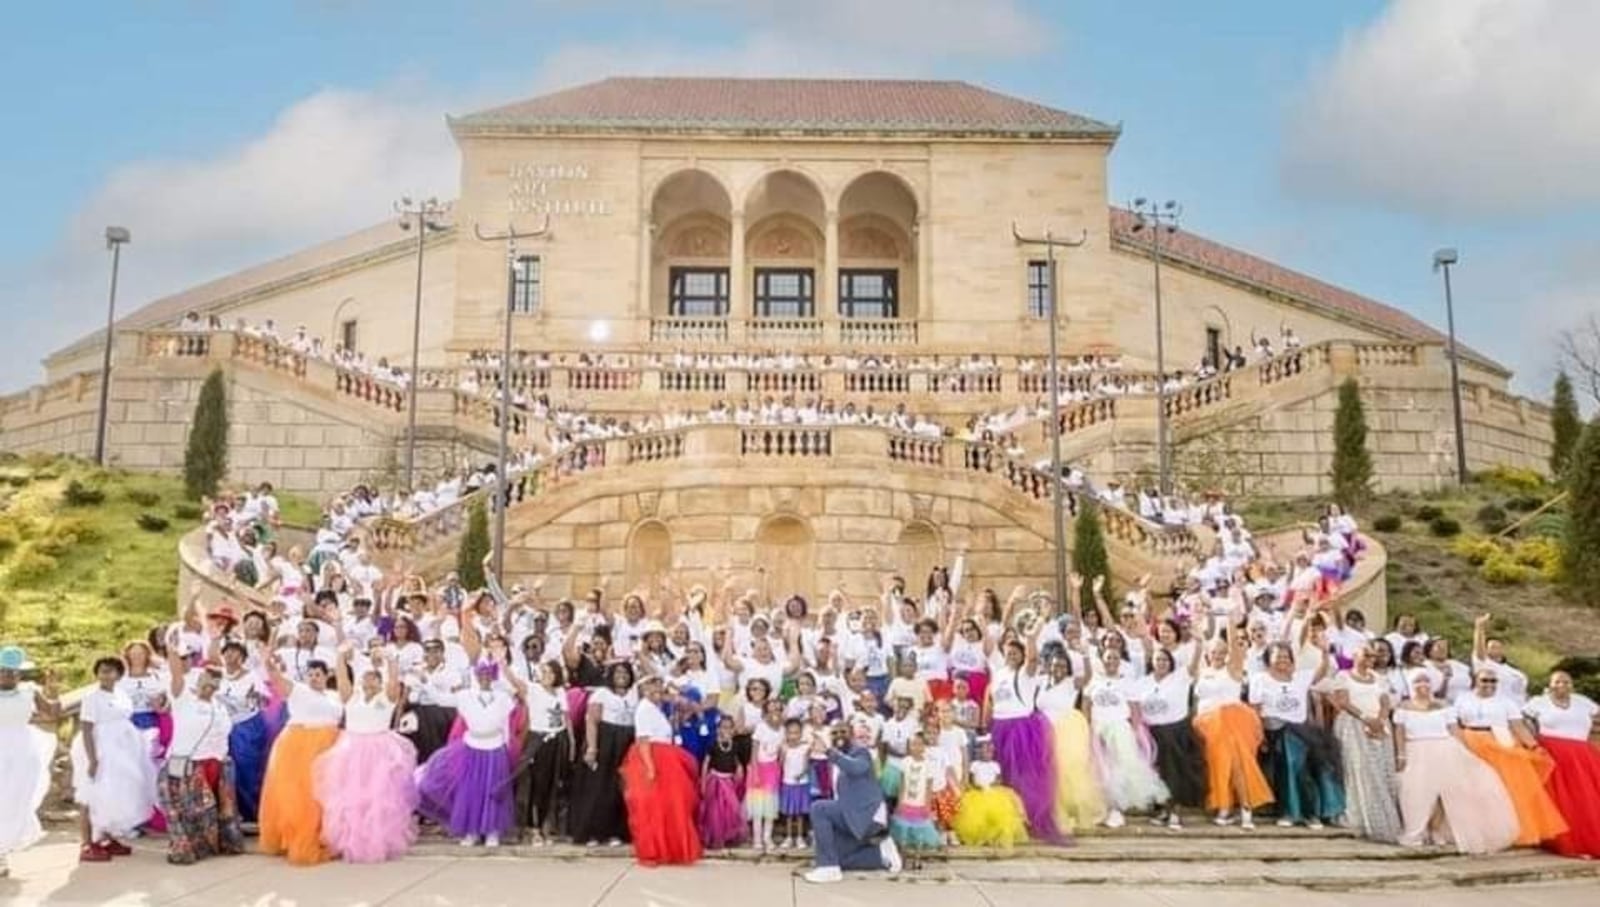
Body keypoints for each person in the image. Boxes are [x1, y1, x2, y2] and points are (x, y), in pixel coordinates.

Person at [1392, 671, 1519, 854]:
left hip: (1445, 748)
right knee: (1416, 792)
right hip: (1416, 750)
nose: (1423, 684)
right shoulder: (1403, 708)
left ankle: (1437, 830)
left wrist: (1465, 753)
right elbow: (1400, 733)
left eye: (1426, 680)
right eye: (1418, 681)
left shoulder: (1444, 706)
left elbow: (1455, 731)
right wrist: (1401, 755)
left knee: (1446, 793)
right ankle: (1417, 832)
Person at [313, 646, 418, 862]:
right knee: (350, 795)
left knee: (379, 796)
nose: (369, 682)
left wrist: (390, 660)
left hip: (379, 750)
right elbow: (342, 678)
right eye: (366, 678)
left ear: (380, 682)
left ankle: (379, 840)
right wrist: (341, 656)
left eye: (374, 679)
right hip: (353, 749)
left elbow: (393, 682)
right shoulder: (352, 697)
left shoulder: (386, 698)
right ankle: (348, 840)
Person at [1454, 667, 1568, 847]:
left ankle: (1510, 830)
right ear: (1476, 681)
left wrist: (1533, 745)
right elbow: (1455, 722)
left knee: (1508, 788)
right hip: (1471, 741)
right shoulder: (1462, 698)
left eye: (1493, 681)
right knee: (1476, 789)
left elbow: (1518, 726)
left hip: (1500, 743)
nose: (1489, 685)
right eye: (1485, 680)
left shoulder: (1505, 702)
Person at [415, 659, 522, 848]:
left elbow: (507, 722)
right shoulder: (466, 696)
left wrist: (506, 746)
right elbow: (441, 699)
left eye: (488, 674)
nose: (484, 678)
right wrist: (426, 682)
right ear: (476, 676)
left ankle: (492, 831)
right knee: (471, 790)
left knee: (493, 791)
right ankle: (471, 831)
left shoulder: (503, 697)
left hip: (495, 747)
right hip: (472, 746)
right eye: (481, 674)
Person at [158, 633, 243, 864]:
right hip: (186, 763)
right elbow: (176, 673)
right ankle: (184, 847)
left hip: (214, 764)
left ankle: (208, 845)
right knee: (184, 809)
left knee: (207, 811)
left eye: (216, 680)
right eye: (207, 677)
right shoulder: (183, 699)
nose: (210, 683)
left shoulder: (220, 707)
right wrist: (172, 649)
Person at [71, 655, 158, 863]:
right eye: (102, 671)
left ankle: (107, 838)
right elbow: (86, 728)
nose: (106, 675)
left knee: (112, 793)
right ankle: (86, 843)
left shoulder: (120, 693)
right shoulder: (92, 698)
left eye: (110, 671)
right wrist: (92, 759)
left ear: (119, 674)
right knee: (90, 793)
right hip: (100, 748)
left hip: (121, 749)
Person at [258, 652, 342, 865]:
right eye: (310, 674)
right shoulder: (299, 690)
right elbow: (277, 678)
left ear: (326, 676)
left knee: (326, 794)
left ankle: (325, 835)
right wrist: (269, 662)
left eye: (318, 674)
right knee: (302, 793)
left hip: (329, 746)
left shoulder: (334, 695)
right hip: (300, 746)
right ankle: (298, 836)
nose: (314, 677)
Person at [1249, 642, 1344, 828]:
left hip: (1300, 731)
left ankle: (1311, 813)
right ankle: (1289, 811)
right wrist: (1259, 734)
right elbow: (1256, 708)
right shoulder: (1260, 679)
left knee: (1304, 767)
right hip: (1273, 729)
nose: (1282, 660)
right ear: (1269, 660)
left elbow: (1321, 672)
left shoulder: (1300, 678)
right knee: (1288, 768)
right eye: (1278, 656)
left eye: (1286, 656)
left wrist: (1325, 653)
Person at [803, 720, 902, 885]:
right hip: (850, 817)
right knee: (838, 857)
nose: (839, 736)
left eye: (843, 731)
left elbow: (856, 768)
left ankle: (828, 868)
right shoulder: (834, 763)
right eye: (835, 733)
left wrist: (829, 751)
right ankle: (881, 856)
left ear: (851, 734)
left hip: (867, 815)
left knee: (819, 808)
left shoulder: (860, 752)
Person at [1192, 631, 1274, 829]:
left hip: (1230, 721)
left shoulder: (1233, 670)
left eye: (1222, 652)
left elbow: (1235, 650)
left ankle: (1244, 808)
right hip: (1207, 725)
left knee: (1236, 763)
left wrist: (1230, 621)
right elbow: (1199, 699)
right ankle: (1224, 804)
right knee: (1217, 765)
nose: (1217, 655)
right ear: (1208, 654)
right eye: (1214, 652)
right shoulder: (1203, 672)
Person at [621, 674, 703, 866]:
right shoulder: (644, 709)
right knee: (654, 808)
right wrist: (649, 767)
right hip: (656, 758)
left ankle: (668, 848)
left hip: (666, 756)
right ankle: (654, 849)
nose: (657, 692)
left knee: (670, 806)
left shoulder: (656, 708)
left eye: (659, 688)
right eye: (652, 688)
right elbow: (643, 741)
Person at [1083, 647, 1169, 828]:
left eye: (1115, 657)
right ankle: (1108, 809)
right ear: (1102, 660)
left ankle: (1131, 807)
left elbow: (1135, 711)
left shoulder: (1128, 683)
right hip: (1098, 728)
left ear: (1120, 662)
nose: (1111, 661)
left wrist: (1137, 733)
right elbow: (1087, 706)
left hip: (1120, 728)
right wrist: (1087, 728)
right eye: (1108, 657)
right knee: (1102, 770)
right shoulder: (1093, 681)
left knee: (1125, 767)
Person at [1329, 642, 1402, 843]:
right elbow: (1343, 701)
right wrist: (1364, 718)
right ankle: (1359, 818)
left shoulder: (1379, 678)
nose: (1369, 658)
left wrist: (1380, 719)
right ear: (1355, 655)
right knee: (1360, 769)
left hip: (1378, 725)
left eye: (1372, 656)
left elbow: (1385, 701)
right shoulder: (1343, 676)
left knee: (1380, 769)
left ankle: (1383, 819)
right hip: (1354, 725)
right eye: (1365, 654)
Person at [1523, 670, 1600, 858]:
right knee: (1564, 799)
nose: (1562, 685)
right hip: (1554, 753)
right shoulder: (1537, 703)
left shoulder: (1583, 702)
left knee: (1586, 797)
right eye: (1557, 682)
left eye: (1566, 682)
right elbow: (1524, 723)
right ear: (1550, 684)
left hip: (1582, 755)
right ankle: (1569, 841)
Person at [0, 647, 59, 878]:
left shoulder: (29, 692)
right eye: (4, 671)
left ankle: (2, 852)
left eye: (13, 672)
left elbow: (52, 713)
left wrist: (52, 690)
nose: (8, 676)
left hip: (23, 753)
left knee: (14, 801)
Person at [569, 661, 636, 847]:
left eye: (625, 672)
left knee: (618, 790)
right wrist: (592, 748)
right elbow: (592, 721)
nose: (622, 675)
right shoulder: (602, 694)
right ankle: (593, 833)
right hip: (605, 742)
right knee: (599, 789)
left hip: (626, 742)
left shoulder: (634, 694)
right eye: (618, 672)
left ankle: (615, 832)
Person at [952, 735, 1029, 848]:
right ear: (979, 752)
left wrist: (994, 784)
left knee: (999, 812)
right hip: (978, 792)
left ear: (992, 753)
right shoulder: (975, 764)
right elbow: (972, 778)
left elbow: (999, 779)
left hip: (993, 791)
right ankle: (981, 837)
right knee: (976, 815)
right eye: (984, 751)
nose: (987, 754)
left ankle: (996, 836)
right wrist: (976, 785)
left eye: (989, 752)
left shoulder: (995, 765)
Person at [698, 715, 747, 849]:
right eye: (723, 727)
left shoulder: (735, 745)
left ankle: (727, 836)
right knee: (715, 810)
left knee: (730, 809)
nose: (727, 730)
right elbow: (706, 763)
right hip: (715, 780)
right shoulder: (713, 744)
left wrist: (740, 768)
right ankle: (715, 837)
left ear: (733, 730)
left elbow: (737, 761)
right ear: (718, 729)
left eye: (730, 728)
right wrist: (703, 781)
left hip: (729, 780)